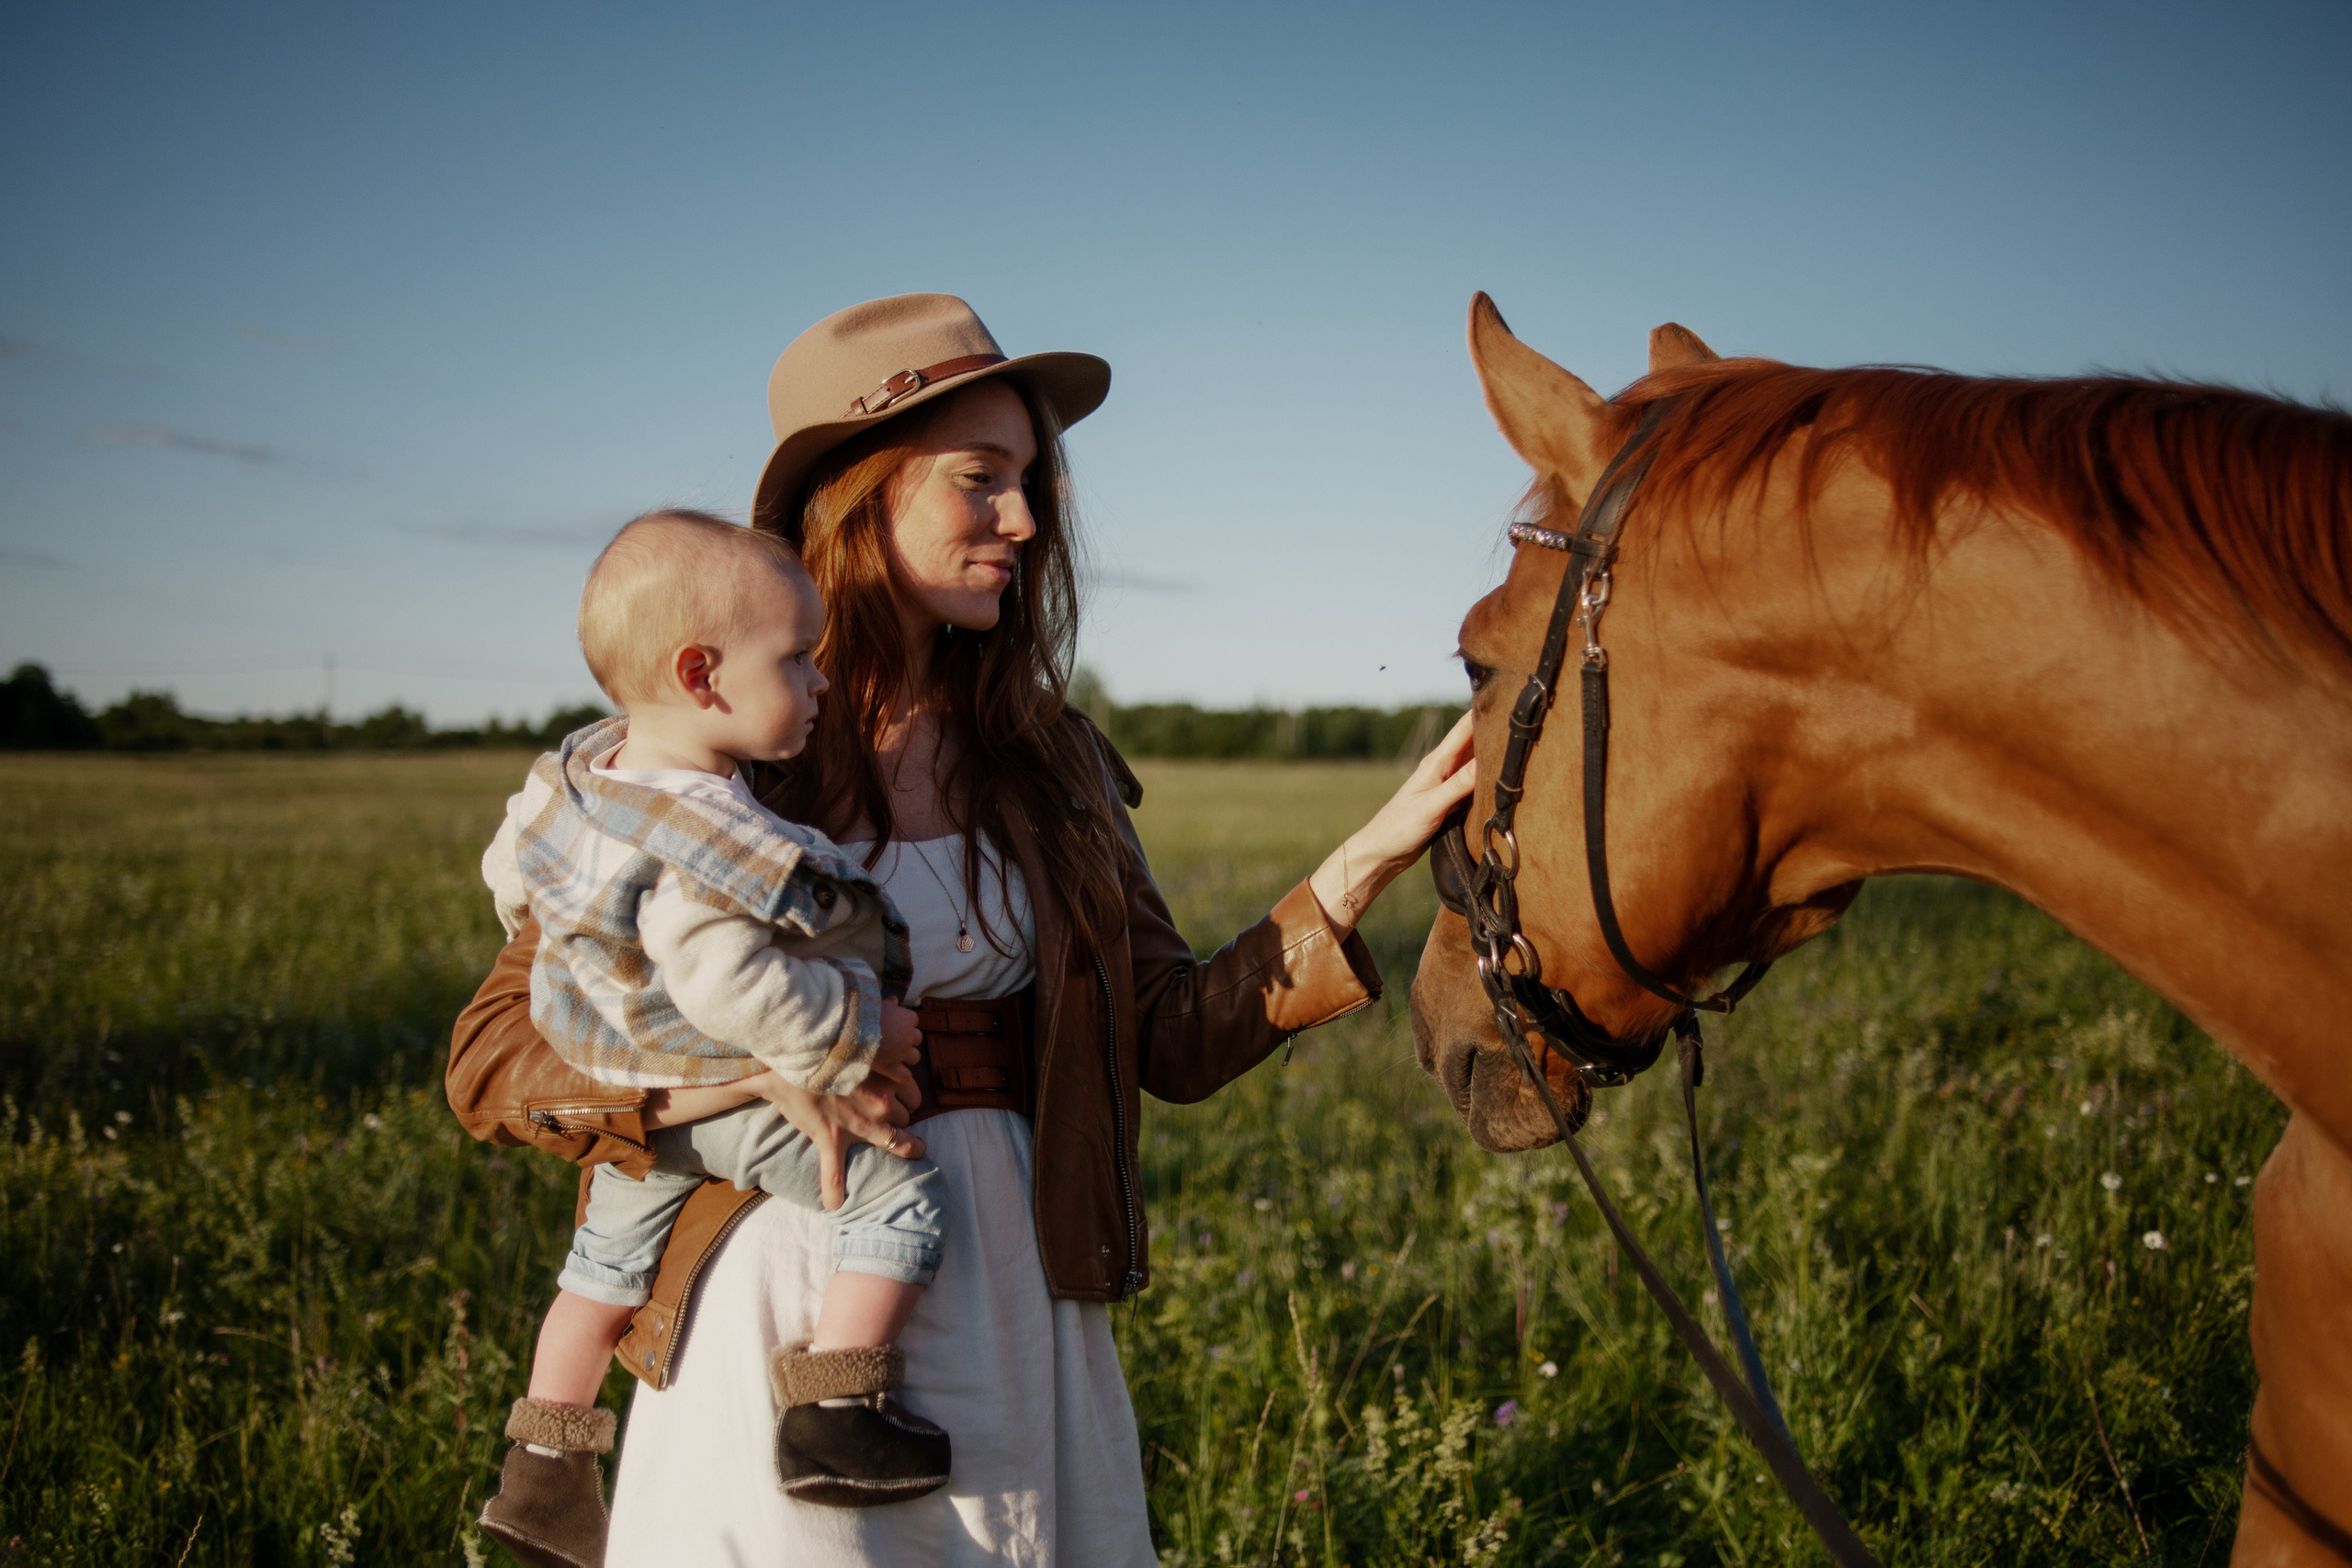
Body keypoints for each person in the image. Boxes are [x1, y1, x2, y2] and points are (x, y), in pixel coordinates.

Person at [447, 292, 1475, 1566]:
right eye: (979, 478)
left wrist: (1364, 863)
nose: (1026, 520)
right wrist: (750, 1071)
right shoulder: (695, 760)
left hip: (1014, 1288)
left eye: (1029, 480)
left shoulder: (1049, 758)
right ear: (856, 499)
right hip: (773, 1272)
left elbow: (1172, 1038)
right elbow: (496, 1059)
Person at [473, 513, 956, 1568]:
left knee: (602, 1270)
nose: (819, 682)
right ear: (700, 676)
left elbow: (510, 867)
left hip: (620, 1082)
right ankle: (834, 1415)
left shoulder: (585, 772)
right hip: (711, 1087)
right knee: (898, 1196)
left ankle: (541, 1472)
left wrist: (560, 935)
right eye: (795, 660)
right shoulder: (705, 837)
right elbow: (722, 978)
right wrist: (852, 1038)